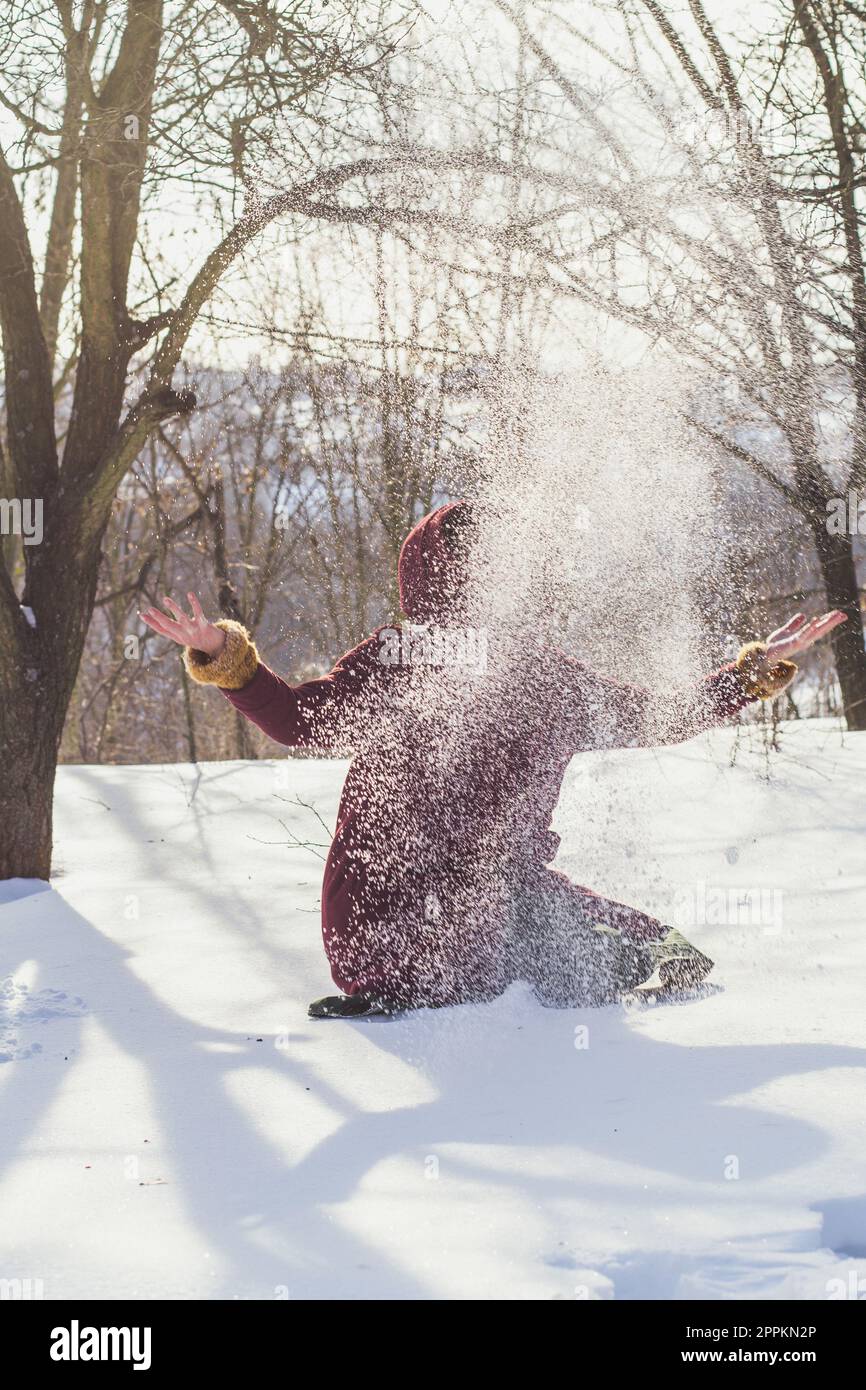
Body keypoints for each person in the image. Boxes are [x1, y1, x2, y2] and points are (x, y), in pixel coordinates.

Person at [141, 501, 845, 1017]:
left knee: (672, 955)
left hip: (510, 899)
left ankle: (533, 982)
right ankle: (446, 990)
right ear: (438, 575)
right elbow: (299, 720)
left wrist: (750, 673)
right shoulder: (400, 662)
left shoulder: (544, 677)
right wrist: (221, 655)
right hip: (388, 918)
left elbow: (654, 717)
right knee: (489, 964)